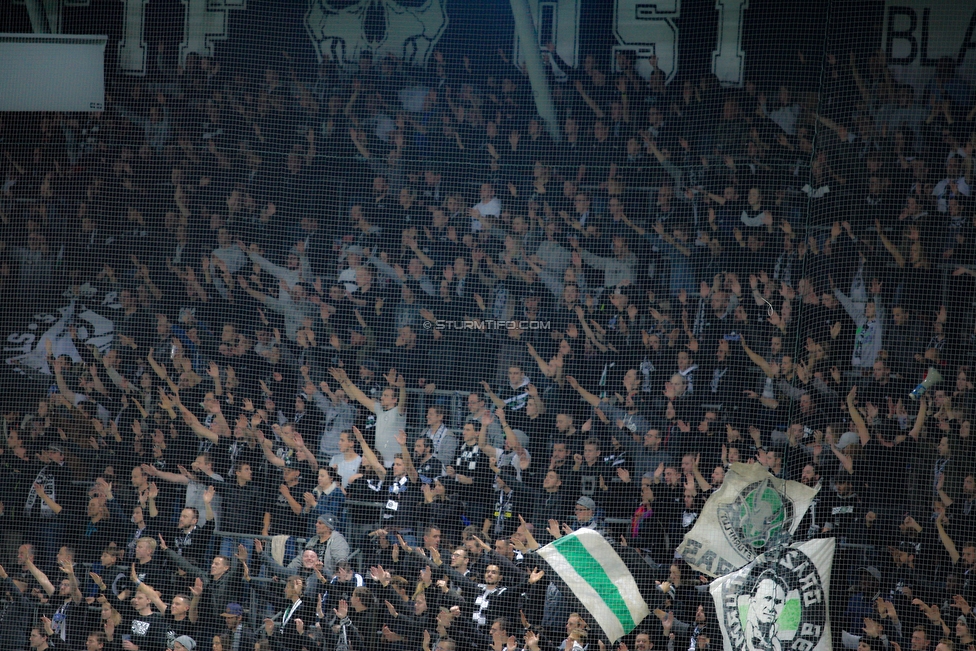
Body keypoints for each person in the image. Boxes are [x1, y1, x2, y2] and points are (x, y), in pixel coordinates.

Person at [744, 570, 789, 651]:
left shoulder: (776, 640)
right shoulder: (748, 631)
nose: (771, 607)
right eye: (767, 598)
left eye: (778, 602)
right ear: (753, 600)